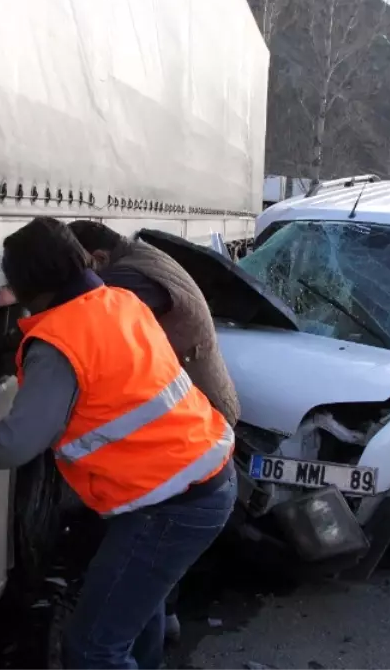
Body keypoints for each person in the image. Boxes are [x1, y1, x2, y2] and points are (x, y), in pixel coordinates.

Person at [0, 217, 235, 670]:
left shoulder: (58, 342)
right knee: (137, 616)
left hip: (169, 505)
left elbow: (12, 447)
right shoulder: (119, 301)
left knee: (93, 649)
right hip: (201, 479)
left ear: (25, 287)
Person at [67, 220, 241, 643]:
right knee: (158, 544)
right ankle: (159, 621)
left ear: (100, 259)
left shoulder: (128, 279)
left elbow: (96, 319)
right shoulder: (142, 258)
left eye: (81, 268)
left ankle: (159, 619)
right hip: (199, 412)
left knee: (158, 535)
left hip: (194, 421)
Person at [66, 220, 240, 427]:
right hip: (201, 404)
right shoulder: (138, 255)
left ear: (99, 258)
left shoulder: (131, 278)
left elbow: (87, 327)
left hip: (204, 415)